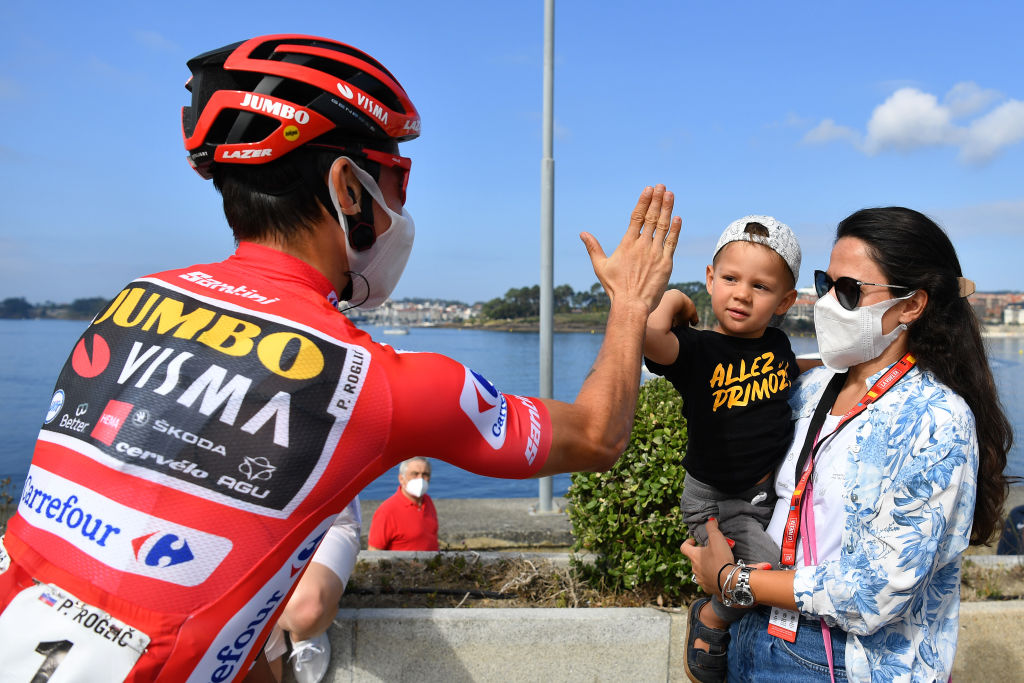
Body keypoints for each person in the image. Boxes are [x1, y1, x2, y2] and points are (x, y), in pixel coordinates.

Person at [0, 34, 681, 682]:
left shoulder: (129, 304)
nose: (399, 209)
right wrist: (628, 303)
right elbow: (598, 433)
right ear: (347, 189)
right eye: (396, 181)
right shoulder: (379, 383)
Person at [681, 207, 1012, 683]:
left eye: (850, 290)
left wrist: (735, 581)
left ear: (912, 306)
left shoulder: (937, 419)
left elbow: (880, 590)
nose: (829, 303)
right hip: (752, 634)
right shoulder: (810, 390)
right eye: (827, 283)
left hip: (846, 660)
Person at [643, 216, 815, 683]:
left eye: (760, 286)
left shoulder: (778, 344)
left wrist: (836, 365)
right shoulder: (696, 350)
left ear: (784, 302)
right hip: (719, 503)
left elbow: (789, 370)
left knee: (781, 570)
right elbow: (649, 338)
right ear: (710, 280)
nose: (741, 294)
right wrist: (673, 298)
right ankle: (712, 619)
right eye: (731, 279)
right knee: (764, 572)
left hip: (766, 495)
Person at [264, 496, 361, 683]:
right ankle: (264, 625)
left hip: (327, 517)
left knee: (306, 611)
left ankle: (301, 633)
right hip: (244, 521)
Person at [368, 458, 439, 551]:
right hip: (402, 565)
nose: (420, 479)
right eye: (415, 474)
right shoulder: (387, 511)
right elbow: (374, 552)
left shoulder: (428, 501)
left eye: (425, 474)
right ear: (401, 478)